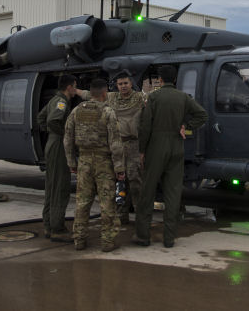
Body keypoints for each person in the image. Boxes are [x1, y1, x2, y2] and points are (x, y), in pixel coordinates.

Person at [133, 65, 208, 248]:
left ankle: (143, 236)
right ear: (175, 79)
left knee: (148, 191)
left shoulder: (153, 97)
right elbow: (202, 115)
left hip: (156, 146)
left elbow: (145, 126)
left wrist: (142, 150)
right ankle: (169, 238)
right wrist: (186, 126)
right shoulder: (183, 97)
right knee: (173, 193)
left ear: (159, 79)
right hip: (176, 145)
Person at [63, 78, 124, 251]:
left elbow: (67, 139)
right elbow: (116, 143)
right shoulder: (108, 112)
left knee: (82, 202)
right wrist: (119, 168)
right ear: (104, 93)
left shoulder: (76, 111)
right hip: (103, 162)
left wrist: (71, 162)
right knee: (107, 203)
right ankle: (107, 241)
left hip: (84, 162)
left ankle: (79, 240)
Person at [37, 74, 82, 242]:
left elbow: (41, 119)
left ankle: (49, 225)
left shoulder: (54, 100)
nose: (75, 90)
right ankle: (57, 228)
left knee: (51, 185)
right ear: (69, 87)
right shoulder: (61, 102)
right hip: (58, 147)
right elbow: (52, 120)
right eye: (75, 86)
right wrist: (65, 135)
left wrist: (52, 134)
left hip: (52, 143)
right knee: (60, 186)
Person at [106, 71, 147, 225]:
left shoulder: (139, 98)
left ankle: (140, 215)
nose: (123, 86)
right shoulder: (111, 98)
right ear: (117, 86)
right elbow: (92, 95)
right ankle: (121, 214)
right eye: (120, 84)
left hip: (134, 145)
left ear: (131, 84)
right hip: (118, 145)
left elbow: (153, 107)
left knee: (136, 180)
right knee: (119, 180)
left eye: (126, 83)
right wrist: (75, 91)